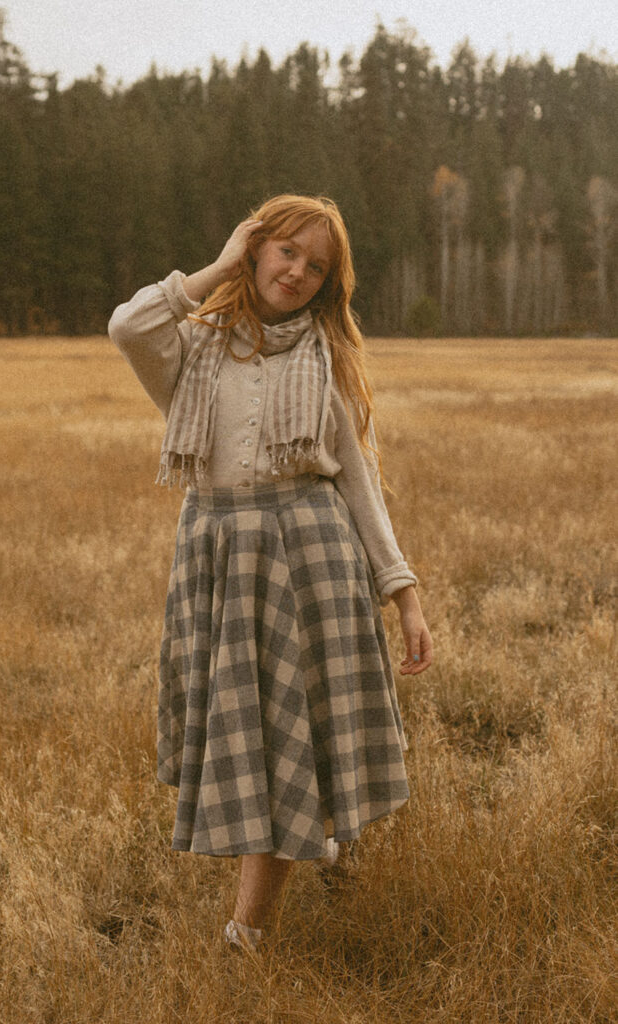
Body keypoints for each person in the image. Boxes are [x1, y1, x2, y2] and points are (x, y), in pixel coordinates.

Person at [108, 194, 432, 953]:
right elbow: (128, 325)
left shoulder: (332, 360)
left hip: (312, 553)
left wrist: (403, 594)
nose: (298, 272)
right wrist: (215, 267)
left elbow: (359, 480)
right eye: (286, 251)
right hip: (218, 555)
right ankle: (303, 845)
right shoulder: (191, 348)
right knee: (251, 737)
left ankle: (244, 933)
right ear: (254, 248)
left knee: (289, 740)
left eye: (316, 266)